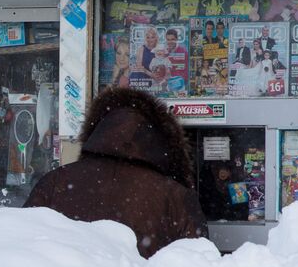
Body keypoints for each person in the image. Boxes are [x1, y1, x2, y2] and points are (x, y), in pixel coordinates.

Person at [24, 87, 207, 257]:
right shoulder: (175, 197)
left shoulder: (55, 182)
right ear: (161, 141)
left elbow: (19, 246)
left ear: (97, 130)